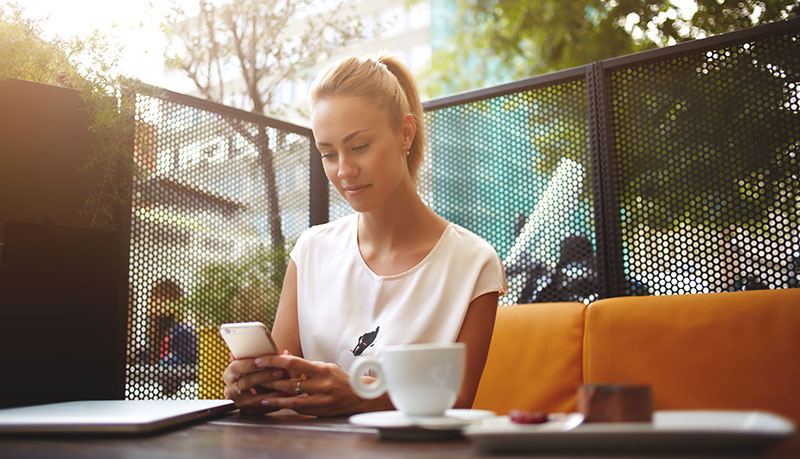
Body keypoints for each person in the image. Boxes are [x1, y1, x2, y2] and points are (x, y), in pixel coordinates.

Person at [222, 56, 507, 417]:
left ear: (405, 132)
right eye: (328, 153)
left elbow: (459, 402)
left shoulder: (473, 263)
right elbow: (284, 377)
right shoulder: (311, 250)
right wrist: (254, 387)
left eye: (359, 147)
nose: (344, 171)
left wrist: (365, 395)